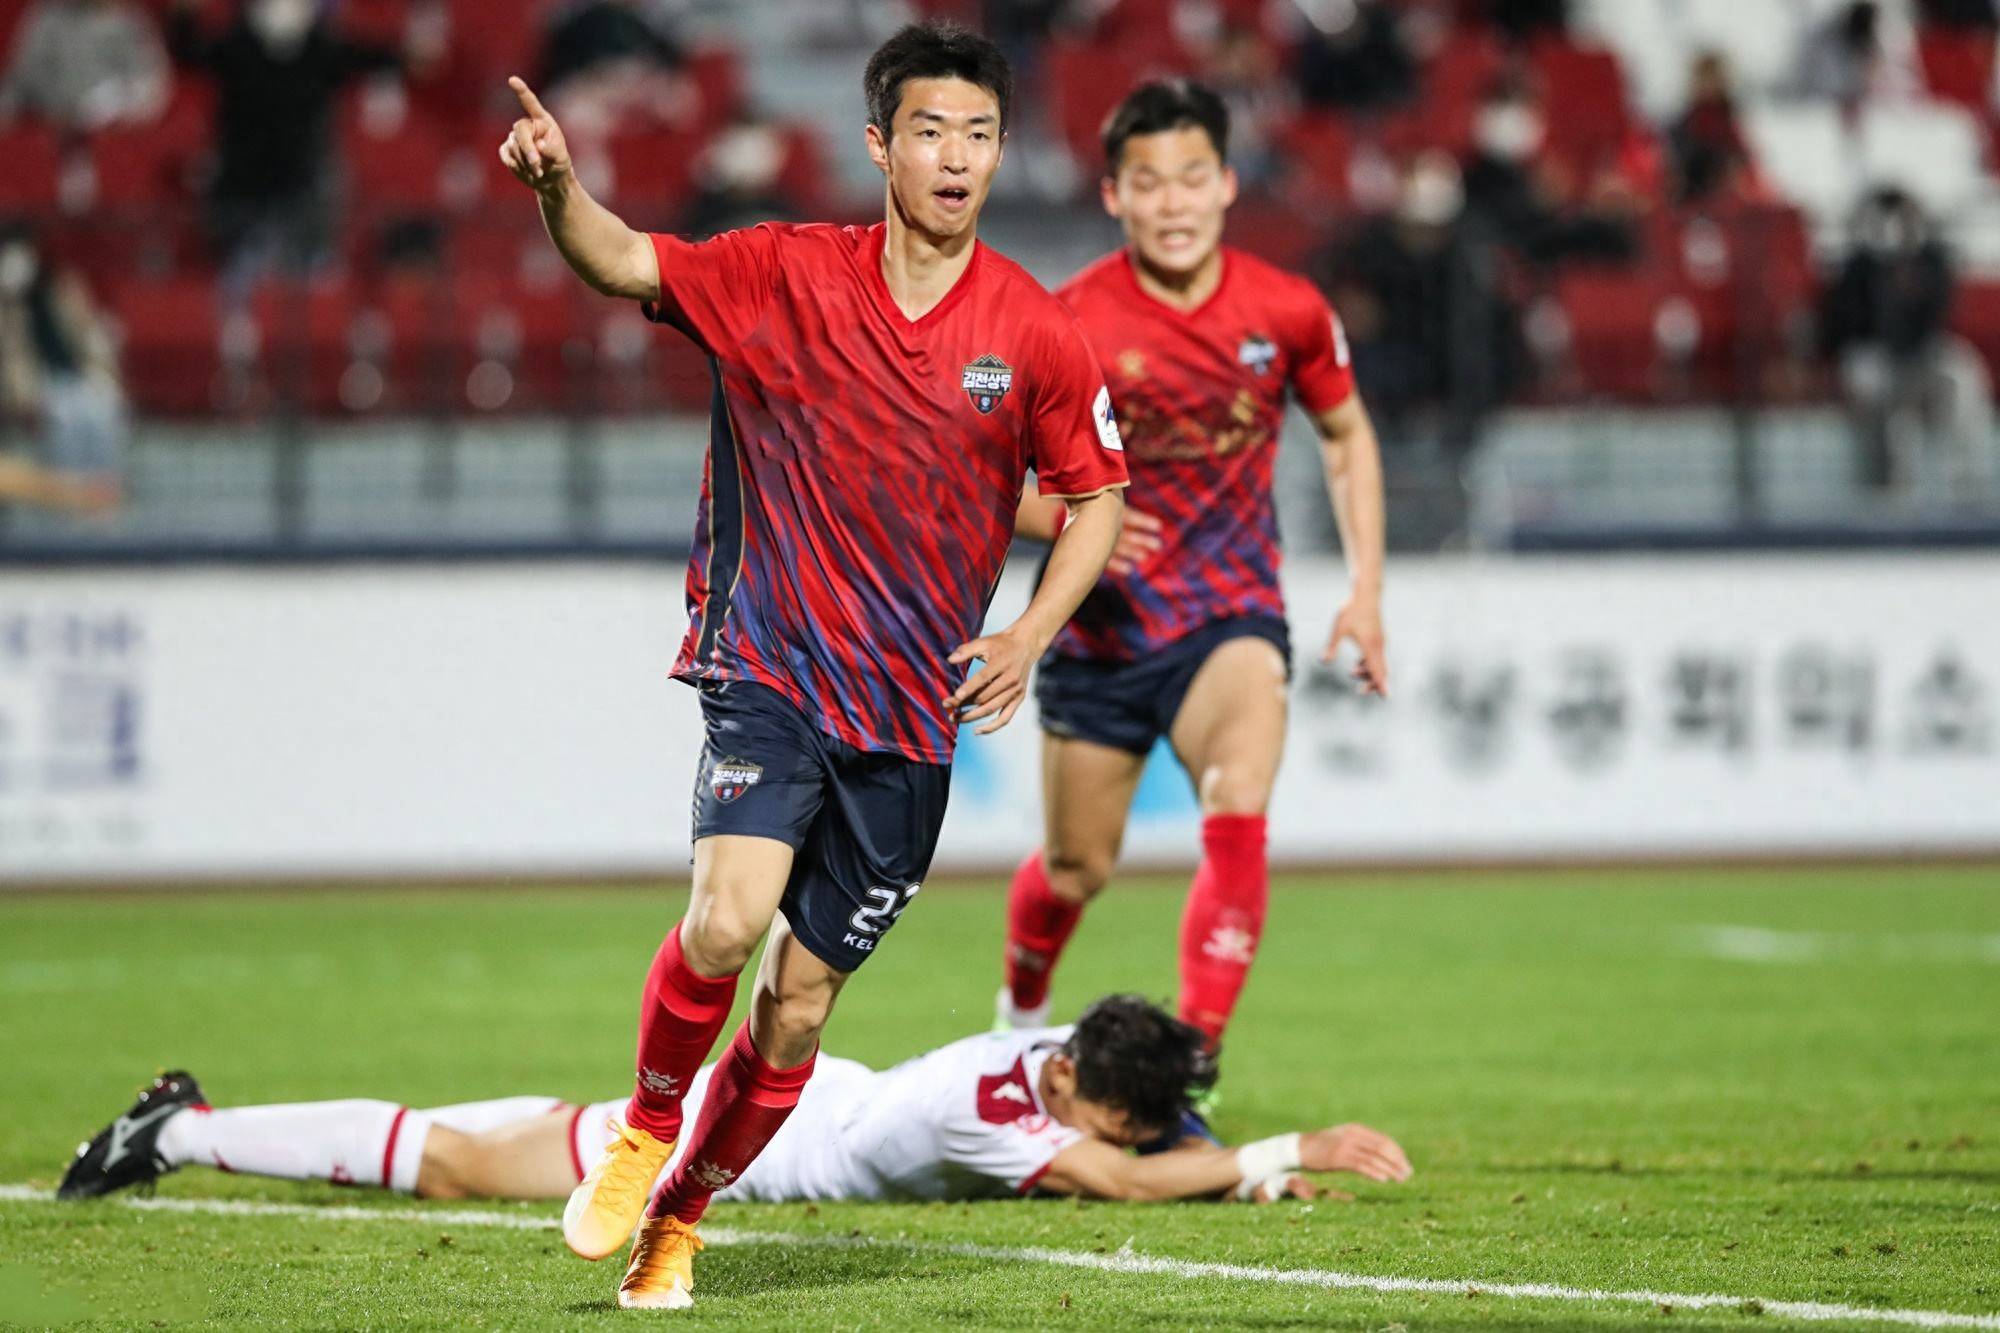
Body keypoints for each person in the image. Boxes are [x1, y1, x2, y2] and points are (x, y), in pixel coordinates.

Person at [496, 20, 1127, 1309]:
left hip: (909, 717)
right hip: (770, 663)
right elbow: (620, 258)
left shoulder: (1032, 329)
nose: (956, 157)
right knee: (727, 918)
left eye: (980, 134)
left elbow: (1097, 497)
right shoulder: (778, 273)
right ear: (879, 145)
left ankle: (680, 1214)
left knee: (796, 1008)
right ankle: (643, 1128)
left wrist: (1026, 633)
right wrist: (561, 188)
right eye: (931, 131)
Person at [999, 81, 1385, 1054]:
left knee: (1238, 799)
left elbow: (1345, 435)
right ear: (1112, 196)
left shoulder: (1286, 310)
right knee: (1076, 867)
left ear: (1225, 184)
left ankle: (1193, 1063)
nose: (1171, 202)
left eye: (1190, 177)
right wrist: (1070, 518)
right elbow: (981, 473)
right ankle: (1018, 1015)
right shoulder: (1066, 320)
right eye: (1147, 182)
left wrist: (1366, 592)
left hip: (1228, 612)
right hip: (1102, 627)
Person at [57, 995, 1413, 1210]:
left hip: (788, 1103)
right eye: (1130, 1114)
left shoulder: (1072, 1049)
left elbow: (1151, 1136)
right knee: (463, 1164)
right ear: (1074, 1089)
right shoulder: (991, 1112)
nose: (1142, 1129)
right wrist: (1282, 1150)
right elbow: (1117, 1173)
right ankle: (175, 1130)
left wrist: (1233, 1164)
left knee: (495, 1131)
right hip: (731, 1145)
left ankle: (189, 1121)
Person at [0, 222, 124, 517]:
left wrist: (104, 369)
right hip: (39, 383)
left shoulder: (60, 285)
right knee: (64, 421)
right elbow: (10, 355)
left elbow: (88, 331)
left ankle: (105, 498)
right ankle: (70, 504)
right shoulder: (7, 302)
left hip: (78, 376)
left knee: (102, 410)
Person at [0, 0, 168, 134]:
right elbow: (21, 76)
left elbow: (151, 86)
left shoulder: (129, 21)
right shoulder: (49, 16)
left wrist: (109, 107)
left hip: (109, 133)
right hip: (51, 123)